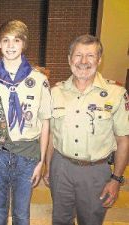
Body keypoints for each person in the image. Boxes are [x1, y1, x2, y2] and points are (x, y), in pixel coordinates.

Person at [44, 34, 129, 225]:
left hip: (96, 172)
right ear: (69, 59)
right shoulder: (55, 92)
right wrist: (49, 167)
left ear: (99, 60)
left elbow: (123, 139)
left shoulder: (116, 94)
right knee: (60, 220)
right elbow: (52, 135)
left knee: (90, 221)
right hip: (61, 167)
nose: (83, 61)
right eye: (78, 55)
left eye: (90, 56)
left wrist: (116, 179)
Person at [0, 20, 51, 225]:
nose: (11, 45)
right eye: (6, 40)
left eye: (16, 40)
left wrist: (41, 161)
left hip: (27, 155)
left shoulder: (38, 80)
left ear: (23, 44)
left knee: (21, 214)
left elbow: (45, 123)